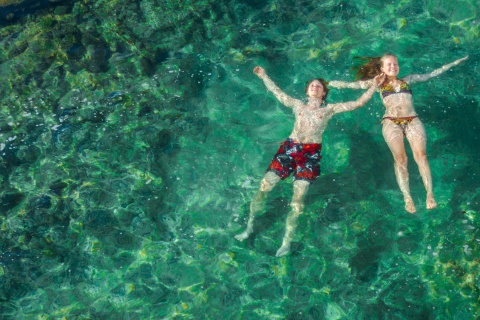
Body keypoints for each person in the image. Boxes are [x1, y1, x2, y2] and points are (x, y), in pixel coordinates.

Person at [235, 66, 383, 257]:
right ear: (307, 91)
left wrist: (373, 87)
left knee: (298, 200)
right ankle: (249, 228)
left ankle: (286, 242)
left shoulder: (329, 109)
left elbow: (357, 103)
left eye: (319, 86)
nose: (315, 87)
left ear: (324, 93)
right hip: (289, 149)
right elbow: (276, 92)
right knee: (264, 186)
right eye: (312, 85)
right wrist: (264, 75)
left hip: (310, 155)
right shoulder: (297, 105)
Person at [329, 54, 468, 213]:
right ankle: (407, 197)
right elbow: (353, 85)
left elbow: (432, 74)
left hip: (413, 120)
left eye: (395, 64)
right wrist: (331, 83)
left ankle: (430, 194)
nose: (393, 66)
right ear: (382, 68)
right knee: (401, 158)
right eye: (389, 64)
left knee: (421, 156)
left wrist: (456, 61)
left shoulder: (407, 80)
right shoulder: (378, 83)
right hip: (391, 122)